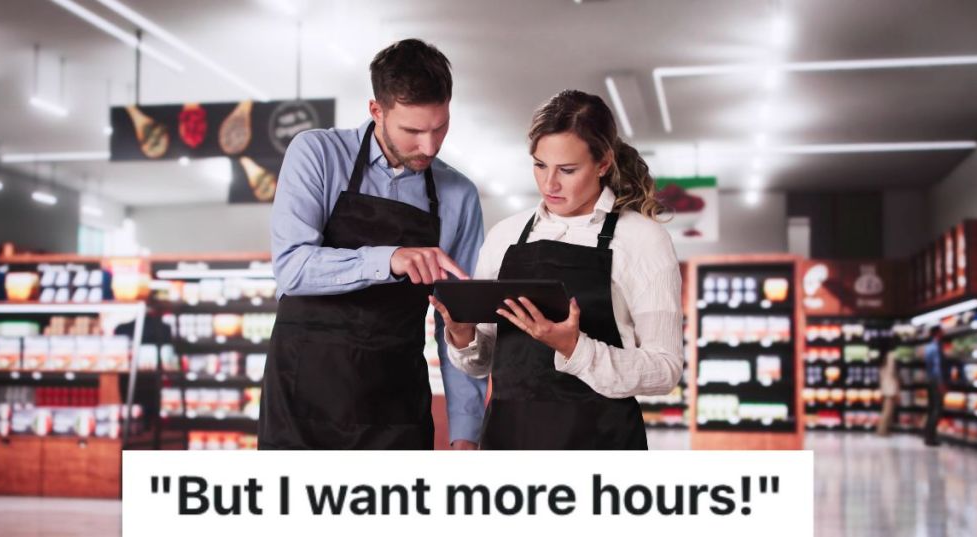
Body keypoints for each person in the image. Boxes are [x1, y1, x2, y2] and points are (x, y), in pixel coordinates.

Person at [259, 39, 487, 450]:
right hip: (302, 404)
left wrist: (465, 431)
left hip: (396, 407)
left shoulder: (458, 195)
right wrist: (389, 259)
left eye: (440, 127)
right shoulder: (318, 155)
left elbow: (457, 319)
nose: (429, 146)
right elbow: (292, 268)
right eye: (413, 131)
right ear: (376, 111)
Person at [430, 90, 684, 449]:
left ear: (603, 164)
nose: (549, 184)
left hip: (599, 444)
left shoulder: (642, 239)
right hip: (508, 442)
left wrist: (576, 349)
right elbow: (480, 364)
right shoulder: (505, 236)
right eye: (539, 165)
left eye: (567, 170)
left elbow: (665, 369)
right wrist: (462, 334)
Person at [922, 325, 944, 446]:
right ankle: (931, 437)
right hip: (936, 381)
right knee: (937, 408)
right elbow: (937, 367)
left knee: (931, 409)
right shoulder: (936, 347)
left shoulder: (928, 347)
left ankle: (927, 435)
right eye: (941, 331)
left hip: (929, 380)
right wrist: (940, 383)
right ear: (937, 333)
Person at [876, 335, 898, 437]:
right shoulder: (891, 356)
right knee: (888, 410)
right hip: (891, 385)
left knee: (886, 408)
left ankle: (884, 429)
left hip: (884, 385)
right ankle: (882, 430)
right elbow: (893, 372)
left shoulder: (881, 357)